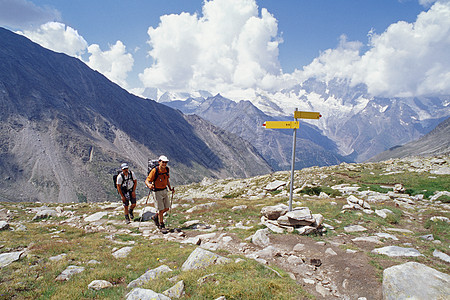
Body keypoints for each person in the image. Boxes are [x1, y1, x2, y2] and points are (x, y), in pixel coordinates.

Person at [145, 155, 174, 230]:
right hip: (157, 192)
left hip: (164, 190)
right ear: (159, 162)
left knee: (167, 208)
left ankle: (155, 217)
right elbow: (147, 180)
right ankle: (161, 225)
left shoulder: (166, 170)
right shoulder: (155, 170)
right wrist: (149, 185)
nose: (164, 164)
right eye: (163, 162)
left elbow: (167, 180)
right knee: (161, 210)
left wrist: (170, 188)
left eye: (166, 162)